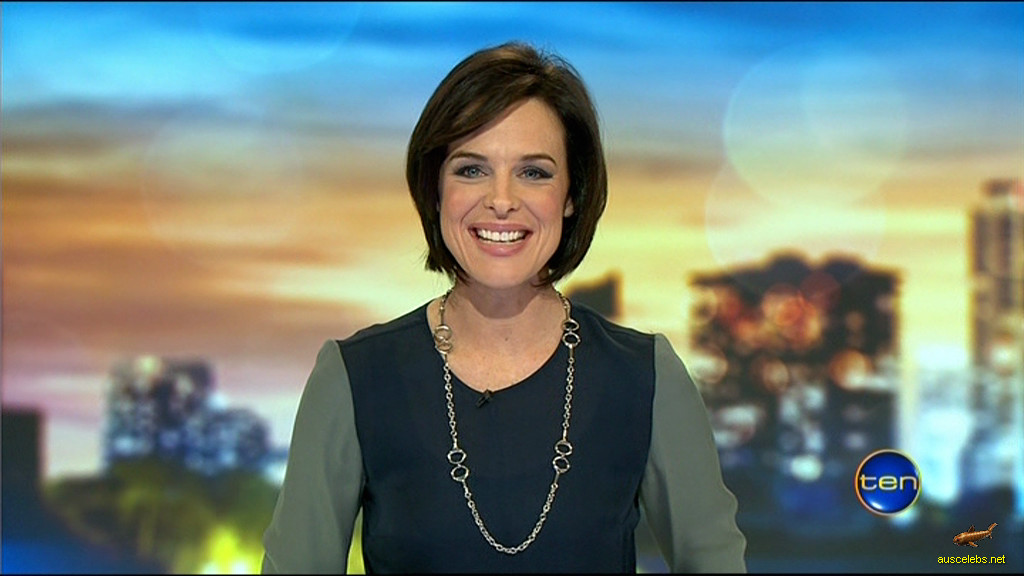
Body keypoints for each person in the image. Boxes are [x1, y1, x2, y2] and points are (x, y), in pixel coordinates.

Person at [261, 41, 747, 574]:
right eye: (471, 170)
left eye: (533, 172)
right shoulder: (354, 378)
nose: (501, 200)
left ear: (572, 195)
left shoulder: (645, 377)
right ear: (435, 189)